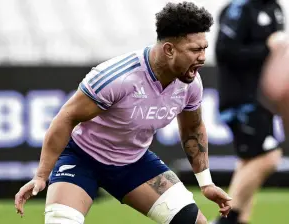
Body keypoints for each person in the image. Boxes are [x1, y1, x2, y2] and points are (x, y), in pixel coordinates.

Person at [14, 2, 232, 224]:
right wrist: (41, 176)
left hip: (134, 162)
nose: (203, 57)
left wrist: (206, 183)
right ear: (169, 49)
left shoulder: (190, 82)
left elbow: (192, 129)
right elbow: (67, 117)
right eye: (195, 50)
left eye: (204, 48)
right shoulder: (117, 77)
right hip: (83, 159)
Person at [213, 0, 284, 224]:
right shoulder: (240, 8)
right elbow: (224, 51)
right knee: (268, 157)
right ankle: (226, 220)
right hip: (242, 101)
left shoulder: (274, 8)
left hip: (263, 99)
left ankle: (238, 219)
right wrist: (266, 48)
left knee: (249, 160)